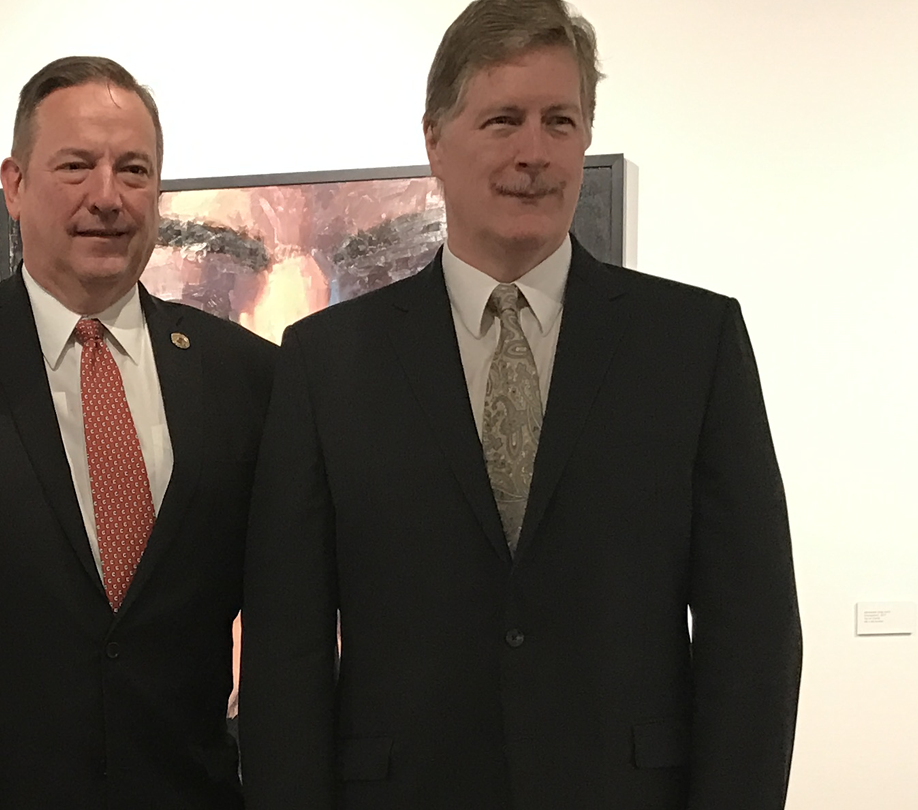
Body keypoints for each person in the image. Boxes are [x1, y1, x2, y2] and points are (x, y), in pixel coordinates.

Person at [239, 1, 802, 808]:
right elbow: (286, 651)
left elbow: (754, 632)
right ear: (434, 139)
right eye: (503, 120)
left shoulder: (693, 344)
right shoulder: (327, 364)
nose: (534, 152)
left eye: (560, 121)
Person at [0, 55, 276, 809]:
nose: (107, 197)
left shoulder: (245, 377)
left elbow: (284, 622)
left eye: (133, 170)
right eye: (75, 166)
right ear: (15, 184)